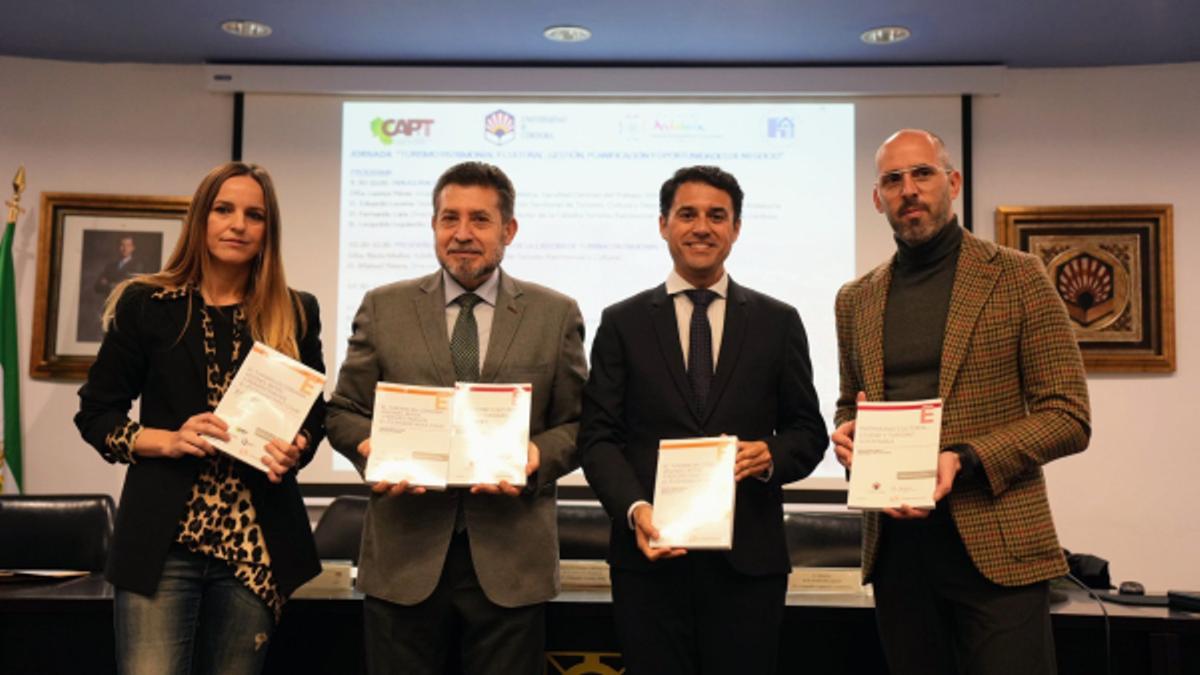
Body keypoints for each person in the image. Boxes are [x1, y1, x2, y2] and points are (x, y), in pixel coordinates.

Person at [832, 129, 1091, 675]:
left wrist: (964, 458)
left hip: (998, 546)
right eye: (892, 179)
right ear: (877, 198)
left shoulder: (1020, 276)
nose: (909, 190)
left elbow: (1069, 414)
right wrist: (849, 434)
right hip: (897, 552)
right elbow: (847, 403)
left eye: (922, 174)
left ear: (952, 182)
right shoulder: (856, 298)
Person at [326, 161, 587, 675]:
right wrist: (370, 448)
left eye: (480, 220)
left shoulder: (554, 314)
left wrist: (537, 455)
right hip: (404, 559)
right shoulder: (384, 308)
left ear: (508, 230)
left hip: (510, 563)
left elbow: (581, 424)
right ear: (433, 225)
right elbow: (344, 412)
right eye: (449, 219)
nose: (462, 234)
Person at [75, 162, 326, 675]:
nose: (238, 224)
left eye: (254, 215)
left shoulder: (296, 310)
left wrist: (297, 446)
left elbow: (314, 416)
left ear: (268, 230)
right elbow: (96, 414)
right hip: (161, 544)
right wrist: (164, 440)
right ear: (200, 219)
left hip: (255, 548)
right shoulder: (146, 304)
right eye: (224, 209)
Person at [579, 165, 828, 675]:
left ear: (736, 229)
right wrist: (635, 510)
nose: (702, 227)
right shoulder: (621, 322)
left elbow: (809, 432)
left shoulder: (777, 322)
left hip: (748, 566)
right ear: (663, 224)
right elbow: (599, 438)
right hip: (649, 560)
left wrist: (770, 456)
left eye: (718, 216)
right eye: (687, 214)